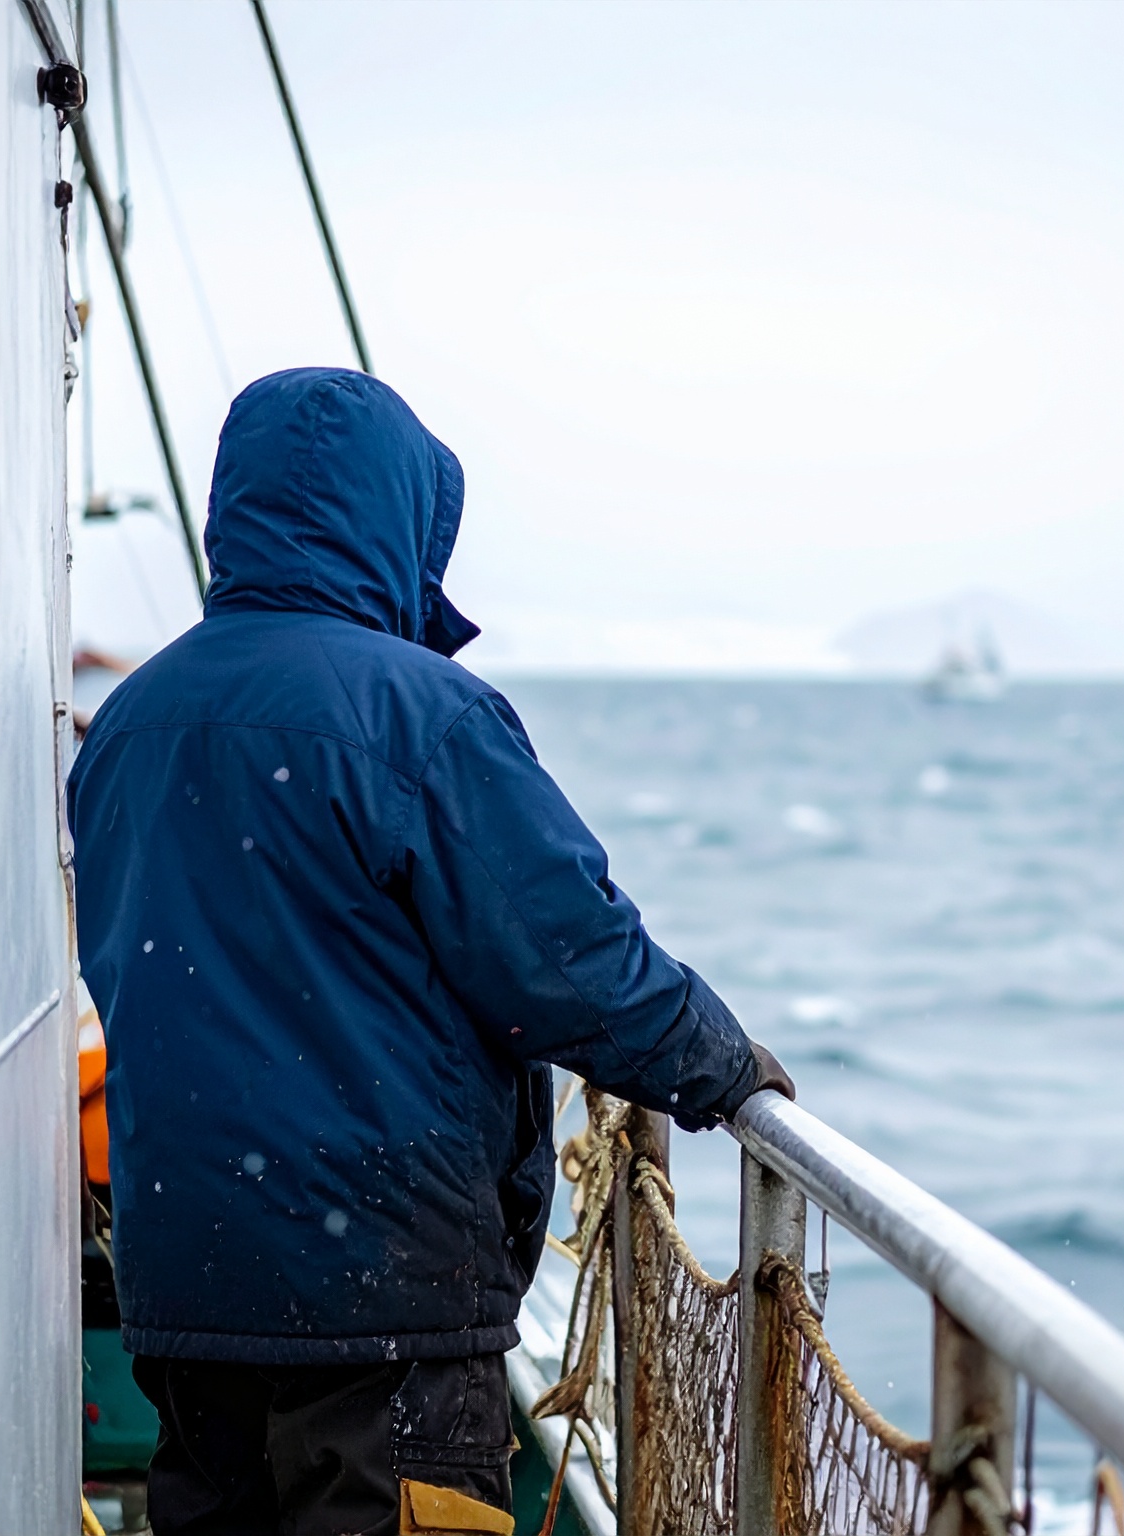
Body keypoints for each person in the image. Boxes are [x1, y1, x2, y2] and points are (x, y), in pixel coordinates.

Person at [67, 368, 793, 1536]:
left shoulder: (128, 728)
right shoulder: (424, 716)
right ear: (398, 516)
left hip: (186, 1287)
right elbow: (573, 959)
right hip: (381, 1305)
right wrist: (727, 1066)